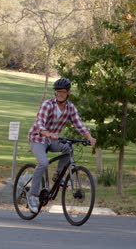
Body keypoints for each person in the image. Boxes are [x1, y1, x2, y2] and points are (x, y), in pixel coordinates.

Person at [26, 78, 96, 213]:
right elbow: (40, 122)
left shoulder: (70, 108)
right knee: (43, 163)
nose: (60, 94)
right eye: (57, 92)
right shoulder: (48, 104)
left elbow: (78, 124)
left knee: (69, 148)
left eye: (63, 92)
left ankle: (58, 175)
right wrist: (47, 133)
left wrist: (89, 137)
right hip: (38, 137)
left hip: (52, 139)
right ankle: (32, 196)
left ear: (68, 93)